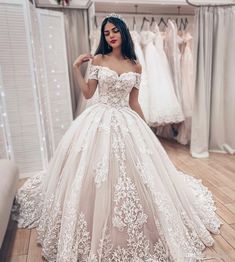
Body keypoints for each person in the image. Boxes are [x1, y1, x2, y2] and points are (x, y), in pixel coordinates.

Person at [12, 13, 222, 262]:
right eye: (106, 32)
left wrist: (146, 133)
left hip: (127, 119)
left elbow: (133, 102)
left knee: (135, 176)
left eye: (115, 31)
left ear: (123, 32)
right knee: (96, 174)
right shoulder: (98, 60)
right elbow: (89, 94)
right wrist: (76, 69)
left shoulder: (136, 65)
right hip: (99, 121)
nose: (110, 36)